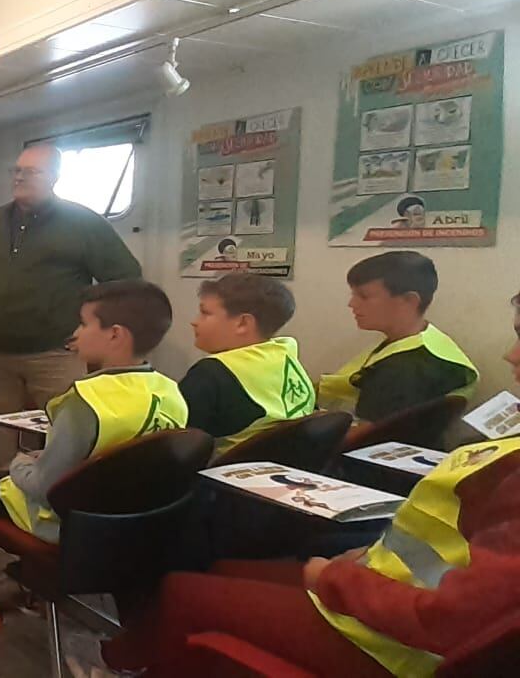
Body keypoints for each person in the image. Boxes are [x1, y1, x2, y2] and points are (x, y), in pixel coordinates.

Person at [103, 290, 520, 677]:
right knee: (227, 569)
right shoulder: (286, 359)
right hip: (381, 578)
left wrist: (331, 579)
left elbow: (447, 620)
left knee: (182, 588)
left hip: (393, 644)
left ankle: (122, 661)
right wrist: (366, 558)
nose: (510, 355)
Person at [0, 280, 184, 629]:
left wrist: (20, 461)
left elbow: (43, 488)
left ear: (115, 335)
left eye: (84, 323)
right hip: (134, 524)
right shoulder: (170, 391)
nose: (76, 332)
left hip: (67, 525)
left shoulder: (85, 401)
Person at [0, 143, 142, 469]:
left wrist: (92, 331)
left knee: (64, 434)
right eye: (16, 170)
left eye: (31, 171)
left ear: (55, 176)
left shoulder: (83, 223)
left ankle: (55, 506)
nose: (19, 177)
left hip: (55, 353)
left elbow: (126, 279)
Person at [318, 251, 478, 424]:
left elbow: (372, 435)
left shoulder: (404, 369)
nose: (352, 304)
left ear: (409, 300)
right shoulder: (426, 342)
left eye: (363, 296)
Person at [181, 273, 315, 455]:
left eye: (205, 313)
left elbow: (176, 444)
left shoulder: (210, 374)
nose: (194, 322)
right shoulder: (286, 358)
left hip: (222, 475)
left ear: (243, 323)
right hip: (290, 469)